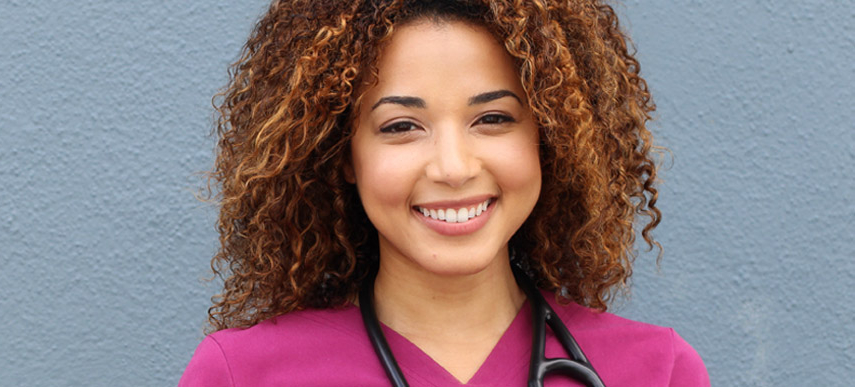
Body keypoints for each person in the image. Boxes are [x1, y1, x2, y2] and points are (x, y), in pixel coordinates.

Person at [180, 0, 710, 385]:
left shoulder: (656, 371)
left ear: (550, 138)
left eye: (493, 118)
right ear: (342, 153)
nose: (453, 168)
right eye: (401, 126)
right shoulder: (241, 374)